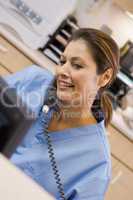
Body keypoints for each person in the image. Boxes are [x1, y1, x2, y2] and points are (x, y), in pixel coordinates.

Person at [4, 28, 120, 200]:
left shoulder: (96, 164)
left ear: (104, 77)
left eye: (77, 65)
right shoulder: (33, 81)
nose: (62, 71)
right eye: (62, 61)